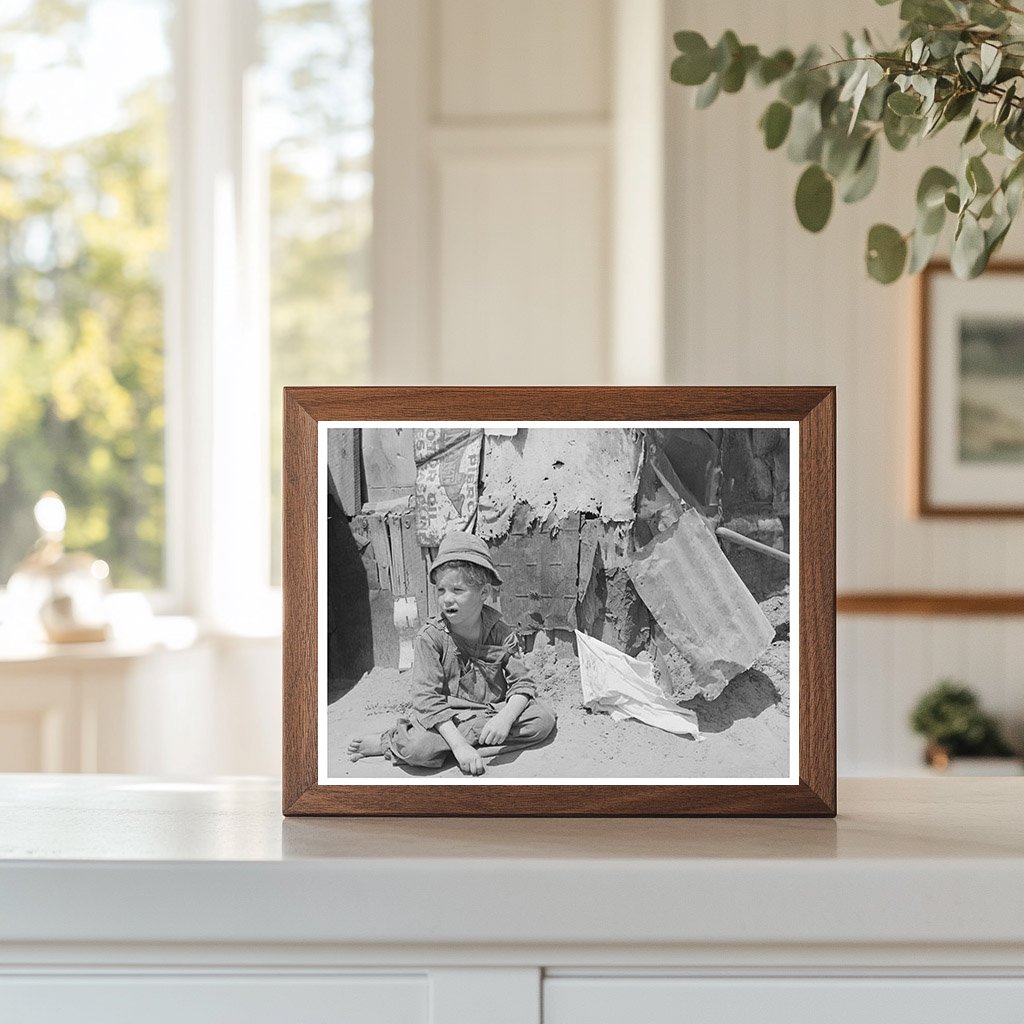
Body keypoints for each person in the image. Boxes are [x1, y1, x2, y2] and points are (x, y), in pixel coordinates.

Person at [347, 531, 556, 775]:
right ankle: (389, 742)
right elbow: (427, 700)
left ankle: (465, 744)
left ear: (484, 593)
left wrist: (505, 719)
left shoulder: (500, 631)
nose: (447, 599)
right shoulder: (430, 638)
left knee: (543, 720)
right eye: (441, 590)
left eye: (457, 590)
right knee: (417, 748)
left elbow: (522, 684)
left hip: (489, 712)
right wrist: (458, 745)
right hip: (445, 720)